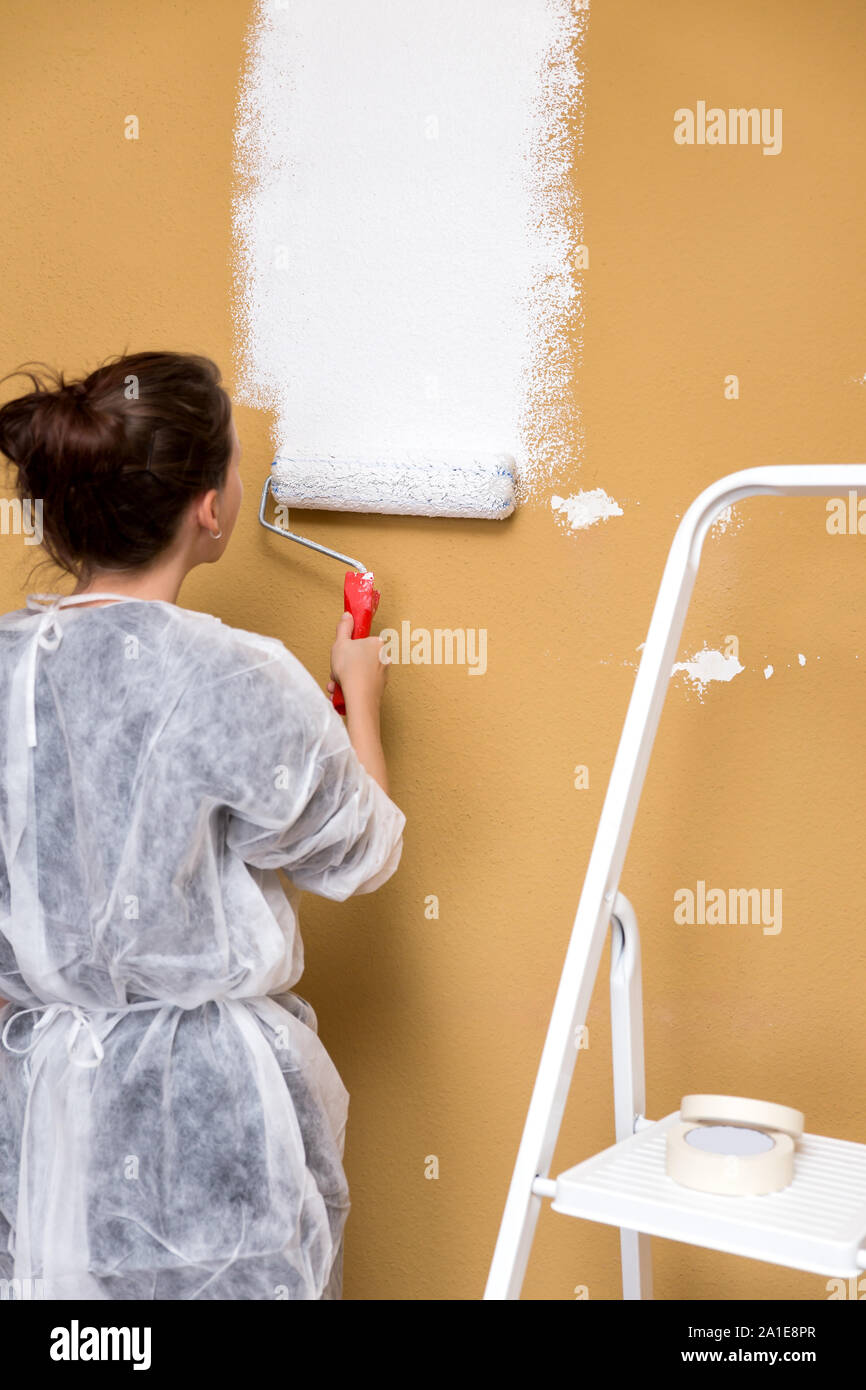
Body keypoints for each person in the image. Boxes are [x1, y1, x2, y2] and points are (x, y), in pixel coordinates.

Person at [0, 350, 405, 1299]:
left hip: (36, 1098)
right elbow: (363, 850)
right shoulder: (237, 677)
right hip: (207, 1102)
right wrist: (362, 699)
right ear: (212, 509)